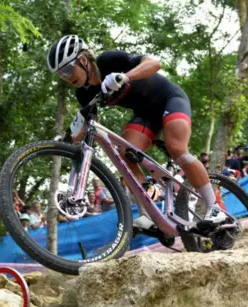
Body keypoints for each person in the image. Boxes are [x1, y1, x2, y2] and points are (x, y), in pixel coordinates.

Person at [47, 35, 226, 229]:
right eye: (61, 75)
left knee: (176, 148)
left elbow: (154, 64)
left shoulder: (108, 60)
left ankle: (214, 207)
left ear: (82, 60)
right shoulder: (83, 92)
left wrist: (125, 76)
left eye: (67, 70)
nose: (66, 77)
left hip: (170, 99)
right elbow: (88, 125)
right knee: (123, 153)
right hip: (146, 115)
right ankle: (150, 209)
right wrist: (66, 140)